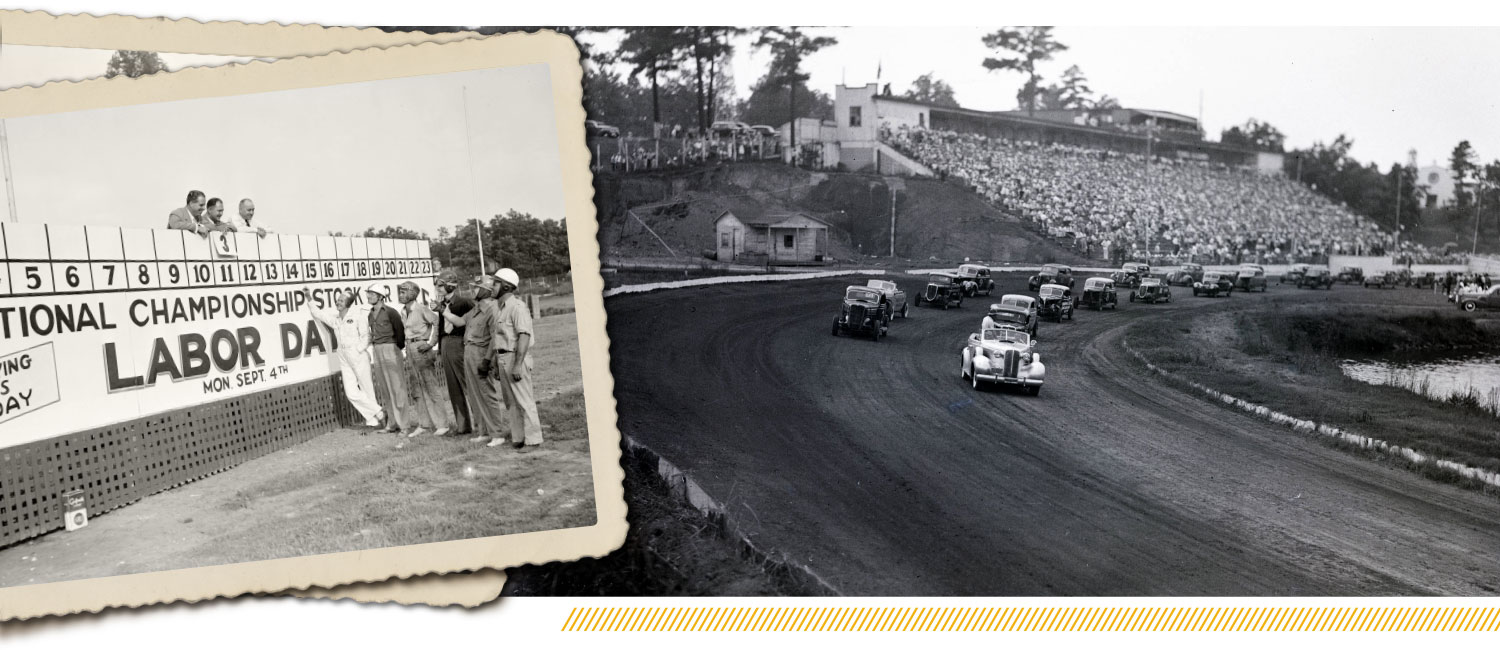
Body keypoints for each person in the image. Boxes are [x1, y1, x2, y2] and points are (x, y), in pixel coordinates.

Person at [303, 287, 385, 428]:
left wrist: (358, 349)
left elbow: (366, 337)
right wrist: (309, 297)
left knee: (367, 388)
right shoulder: (336, 319)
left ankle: (374, 421)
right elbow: (318, 314)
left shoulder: (357, 316)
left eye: (341, 300)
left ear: (348, 303)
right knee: (351, 392)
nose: (338, 302)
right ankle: (379, 412)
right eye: (338, 300)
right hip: (343, 357)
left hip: (358, 355)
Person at [488, 268, 542, 450]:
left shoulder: (517, 307)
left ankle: (533, 440)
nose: (491, 287)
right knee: (510, 401)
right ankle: (519, 438)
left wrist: (518, 364)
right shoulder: (500, 308)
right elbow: (499, 339)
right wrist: (496, 363)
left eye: (495, 283)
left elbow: (524, 336)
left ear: (505, 286)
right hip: (503, 357)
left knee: (524, 400)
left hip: (515, 357)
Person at [398, 281, 451, 438]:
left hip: (421, 347)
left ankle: (442, 424)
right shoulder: (403, 311)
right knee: (416, 388)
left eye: (403, 292)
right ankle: (424, 423)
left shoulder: (421, 309)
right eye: (400, 292)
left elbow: (437, 321)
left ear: (413, 294)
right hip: (409, 348)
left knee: (430, 385)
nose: (400, 295)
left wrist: (431, 343)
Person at [459, 273, 506, 443]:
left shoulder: (492, 310)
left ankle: (497, 433)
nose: (472, 290)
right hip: (469, 352)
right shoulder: (475, 309)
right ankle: (483, 431)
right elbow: (459, 322)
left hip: (481, 353)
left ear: (485, 290)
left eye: (476, 287)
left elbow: (495, 338)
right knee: (474, 393)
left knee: (487, 393)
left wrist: (487, 360)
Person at [365, 283, 416, 435]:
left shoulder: (391, 312)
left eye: (372, 294)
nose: (368, 296)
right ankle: (392, 423)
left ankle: (404, 425)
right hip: (377, 350)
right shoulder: (370, 314)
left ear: (380, 297)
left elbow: (400, 333)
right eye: (368, 293)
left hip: (391, 348)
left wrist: (396, 348)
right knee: (385, 389)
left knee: (397, 388)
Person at [430, 271, 473, 437]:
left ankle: (481, 424)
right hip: (447, 344)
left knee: (467, 385)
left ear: (450, 285)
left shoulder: (464, 303)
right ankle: (463, 426)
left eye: (441, 285)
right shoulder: (441, 304)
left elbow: (469, 324)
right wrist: (440, 351)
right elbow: (441, 329)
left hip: (460, 343)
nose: (438, 289)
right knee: (453, 388)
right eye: (437, 285)